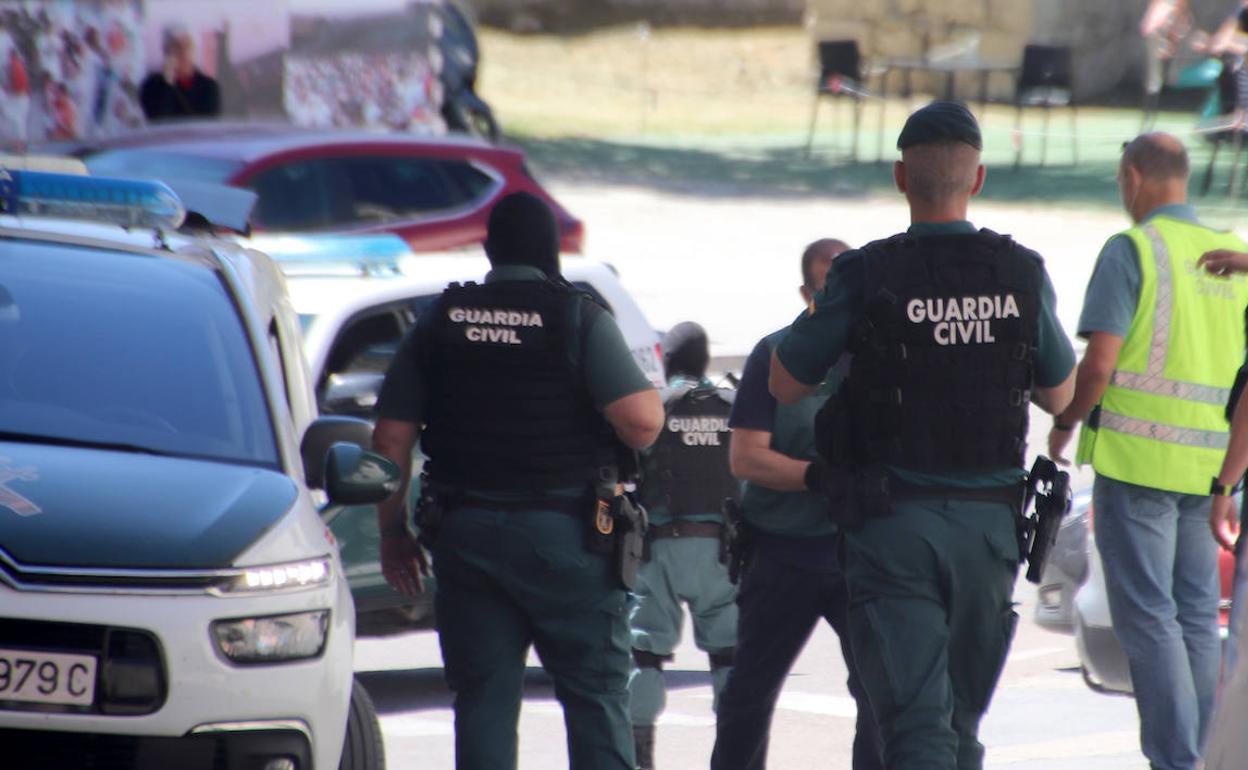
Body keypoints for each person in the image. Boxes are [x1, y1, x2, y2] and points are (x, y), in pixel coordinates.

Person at [770, 101, 1076, 770]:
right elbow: (1060, 393)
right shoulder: (1021, 272)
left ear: (901, 177)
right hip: (989, 531)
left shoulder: (864, 272)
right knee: (958, 725)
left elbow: (785, 383)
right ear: (979, 178)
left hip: (893, 525)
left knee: (915, 729)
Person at [371, 191, 664, 770]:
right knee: (595, 699)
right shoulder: (576, 316)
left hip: (466, 536)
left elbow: (388, 443)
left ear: (489, 248)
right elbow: (644, 423)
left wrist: (392, 534)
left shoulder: (439, 321)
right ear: (551, 249)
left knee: (482, 701)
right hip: (568, 540)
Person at [1048, 133, 1248, 770]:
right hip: (1214, 467)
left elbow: (1100, 362)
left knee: (1148, 617)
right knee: (1195, 613)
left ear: (1132, 176)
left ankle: (1177, 759)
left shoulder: (1131, 248)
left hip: (1138, 464)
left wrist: (1066, 421)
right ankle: (1210, 753)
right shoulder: (1236, 254)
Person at [710, 238, 883, 770]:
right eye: (826, 291)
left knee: (880, 696)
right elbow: (746, 459)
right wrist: (819, 477)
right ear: (806, 293)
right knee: (747, 697)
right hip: (781, 555)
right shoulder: (776, 354)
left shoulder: (881, 360)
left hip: (858, 553)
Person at [628, 321, 739, 770]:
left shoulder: (654, 406)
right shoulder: (734, 406)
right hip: (721, 555)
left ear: (667, 361)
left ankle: (639, 757)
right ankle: (735, 755)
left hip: (659, 551)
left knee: (645, 655)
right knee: (729, 657)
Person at [139, 24, 220, 121]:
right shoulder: (151, 86)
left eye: (187, 45)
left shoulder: (209, 86)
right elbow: (158, 119)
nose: (183, 51)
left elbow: (207, 123)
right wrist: (167, 83)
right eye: (176, 46)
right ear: (166, 51)